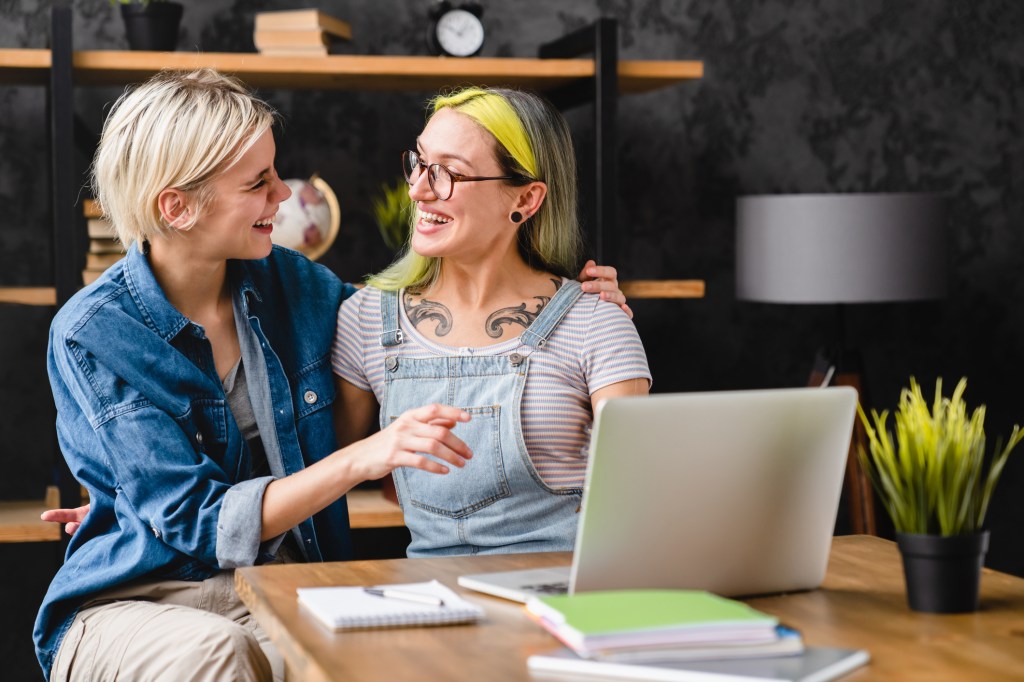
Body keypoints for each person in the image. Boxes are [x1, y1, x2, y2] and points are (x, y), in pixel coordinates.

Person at [36, 70, 628, 681]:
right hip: (138, 595)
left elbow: (428, 331)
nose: (283, 196)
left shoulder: (297, 290)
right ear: (177, 207)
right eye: (259, 183)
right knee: (216, 655)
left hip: (265, 585)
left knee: (350, 663)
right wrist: (366, 457)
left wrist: (569, 306)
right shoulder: (95, 332)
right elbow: (196, 520)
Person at [332, 86, 651, 558]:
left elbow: (637, 505)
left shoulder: (596, 322)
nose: (419, 189)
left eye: (450, 173)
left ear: (525, 198)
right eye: (419, 163)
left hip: (561, 597)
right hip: (431, 597)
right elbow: (324, 472)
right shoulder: (365, 320)